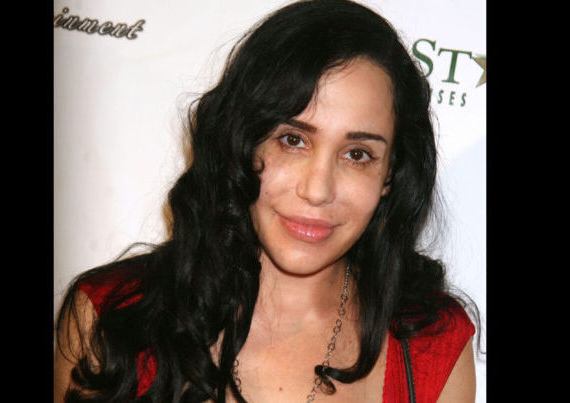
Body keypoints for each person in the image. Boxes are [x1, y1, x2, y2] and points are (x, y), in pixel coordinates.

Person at [54, 0, 481, 402]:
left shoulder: (433, 349)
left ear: (390, 175)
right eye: (293, 140)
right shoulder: (109, 321)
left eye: (357, 154)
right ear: (242, 141)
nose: (318, 190)